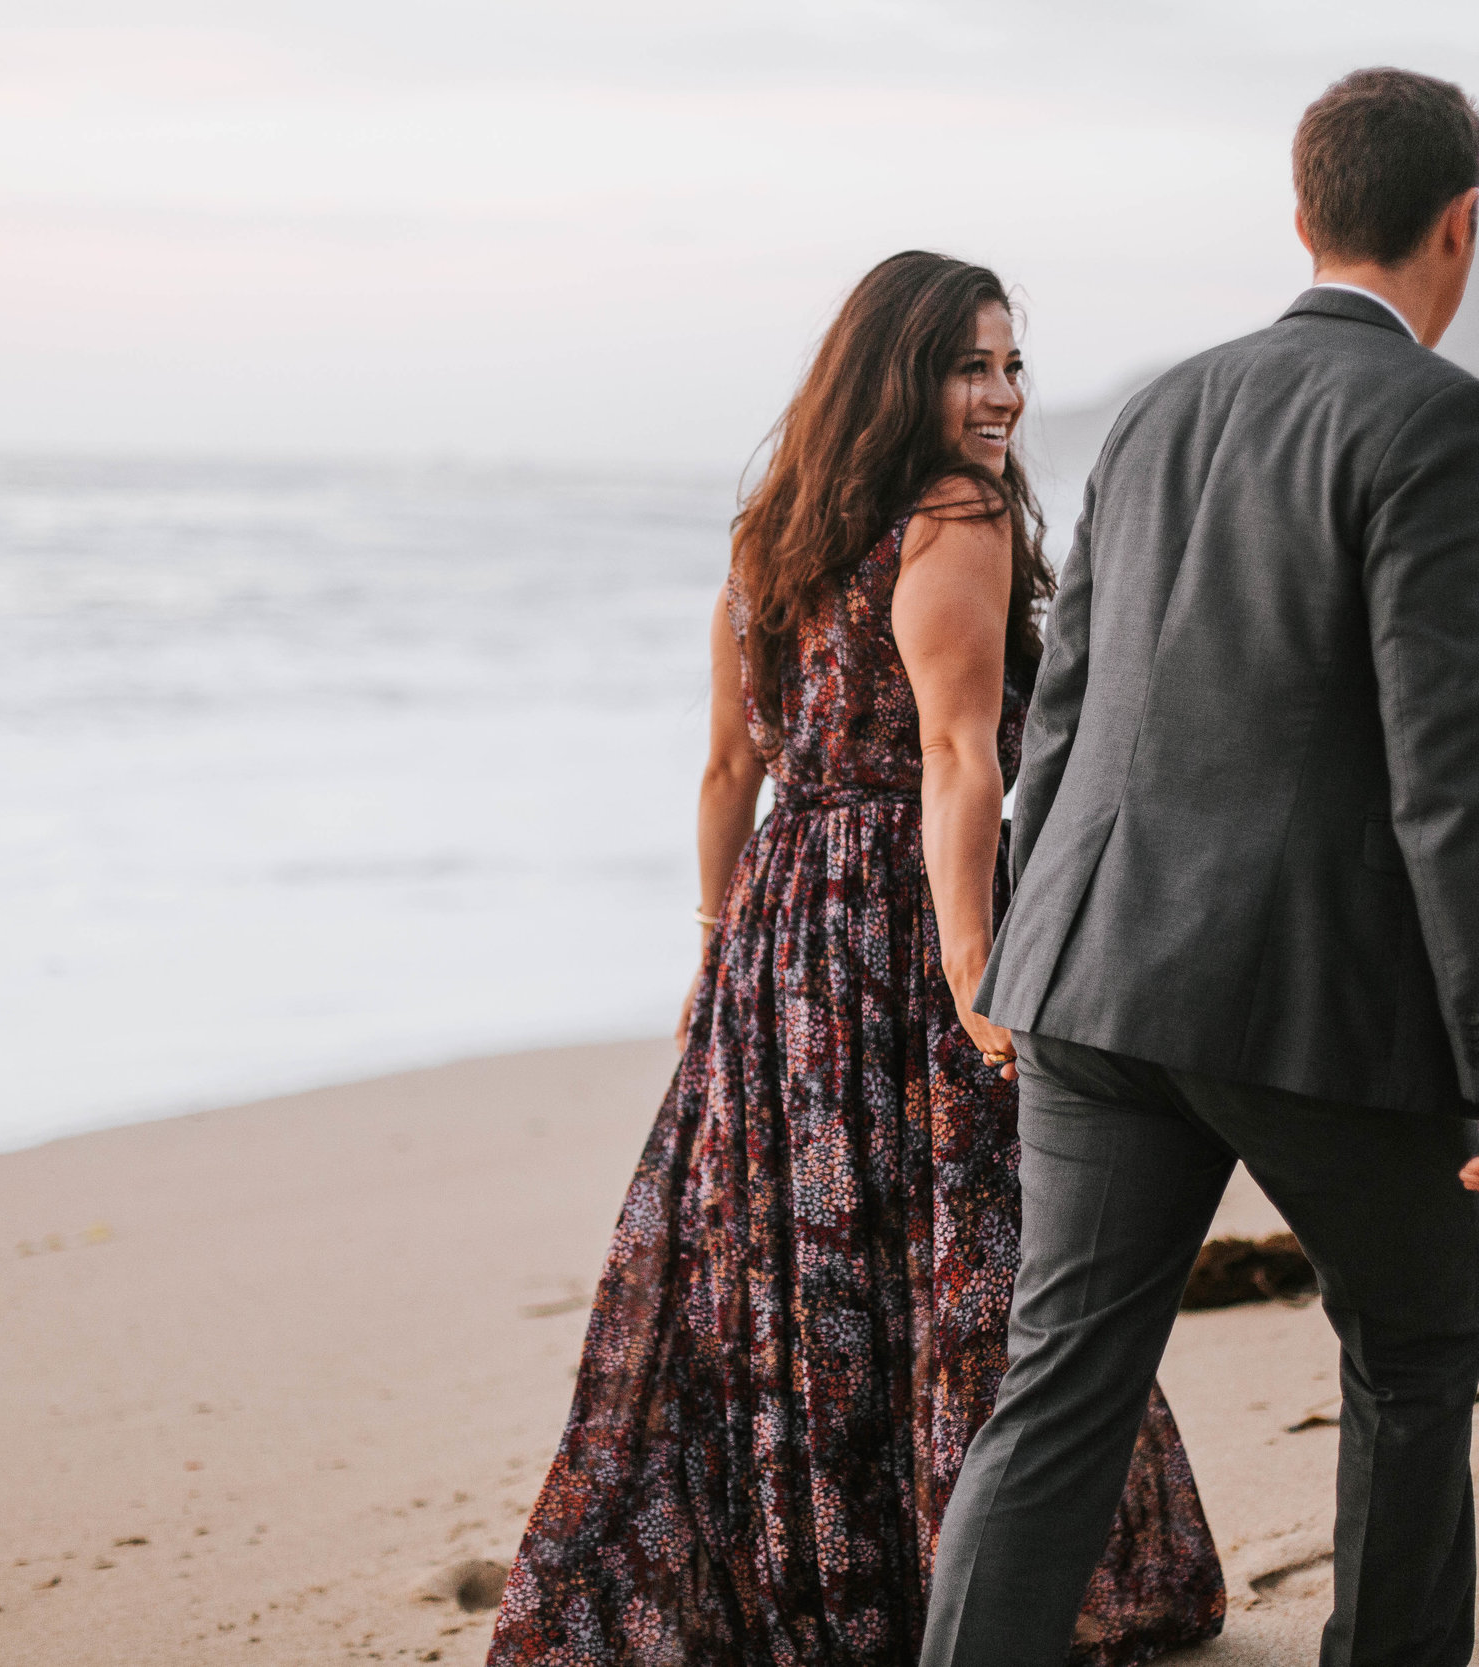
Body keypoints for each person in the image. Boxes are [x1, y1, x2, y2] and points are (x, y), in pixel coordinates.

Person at [921, 69, 1479, 1667]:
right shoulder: (1439, 416)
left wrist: (1028, 945)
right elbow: (1450, 755)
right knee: (1415, 1359)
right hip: (1311, 1005)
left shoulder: (1157, 406)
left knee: (1060, 1386)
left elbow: (1067, 709)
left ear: (1299, 217)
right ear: (1461, 222)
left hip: (1090, 975)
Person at [487, 252, 1226, 1666]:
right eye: (973, 366)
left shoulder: (773, 530)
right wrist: (972, 968)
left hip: (781, 935)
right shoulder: (952, 511)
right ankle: (985, 1589)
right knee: (981, 1253)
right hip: (899, 920)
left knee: (792, 1264)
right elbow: (956, 757)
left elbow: (726, 771)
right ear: (901, 372)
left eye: (1013, 365)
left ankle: (833, 1586)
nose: (1003, 395)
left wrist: (719, 953)